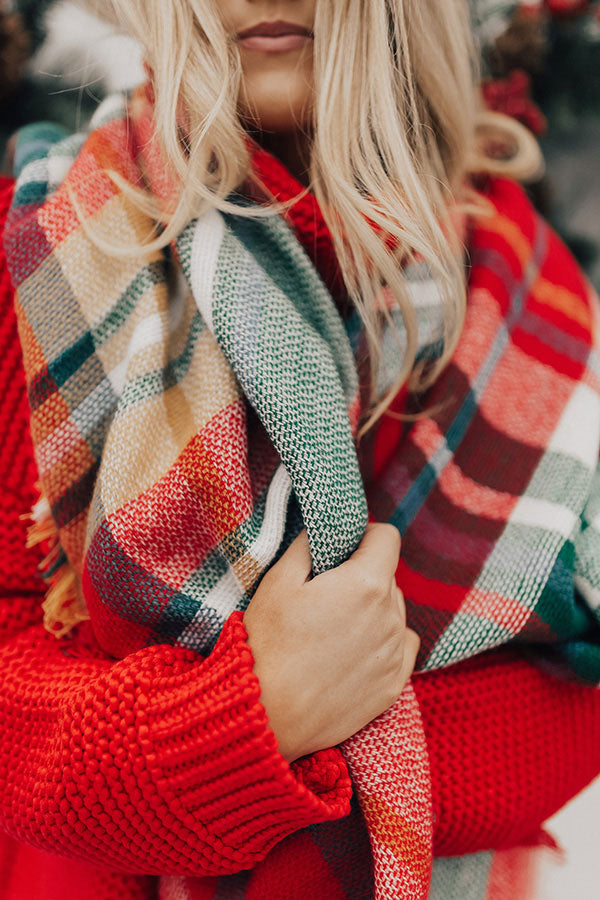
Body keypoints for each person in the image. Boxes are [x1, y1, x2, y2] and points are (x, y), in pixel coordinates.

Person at [1, 1, 600, 898]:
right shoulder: (57, 240)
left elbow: (579, 680)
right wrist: (254, 715)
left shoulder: (519, 283)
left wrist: (357, 715)